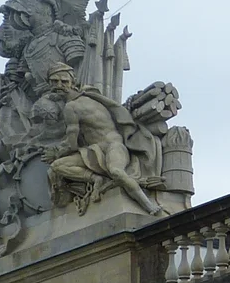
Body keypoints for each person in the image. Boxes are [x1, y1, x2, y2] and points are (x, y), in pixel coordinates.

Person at [41, 64, 165, 215]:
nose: (59, 86)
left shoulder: (71, 107)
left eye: (64, 81)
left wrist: (56, 152)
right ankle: (96, 179)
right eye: (54, 82)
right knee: (57, 166)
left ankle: (148, 206)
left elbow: (72, 144)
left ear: (72, 82)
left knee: (117, 172)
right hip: (94, 151)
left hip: (114, 146)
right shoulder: (91, 95)